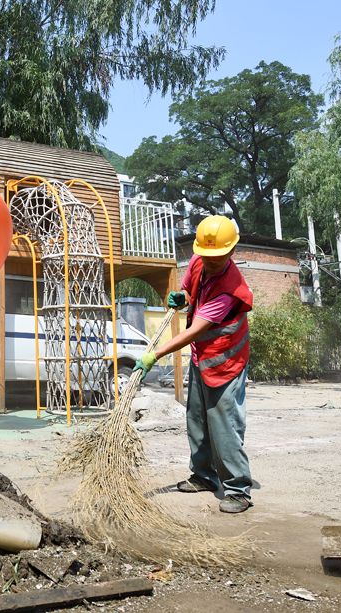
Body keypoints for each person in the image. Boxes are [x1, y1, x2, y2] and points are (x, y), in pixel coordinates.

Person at [135, 215, 255, 514]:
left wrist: (154, 355)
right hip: (203, 357)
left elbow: (194, 330)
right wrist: (183, 297)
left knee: (223, 424)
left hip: (226, 360)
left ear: (231, 251)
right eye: (206, 255)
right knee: (197, 419)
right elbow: (190, 292)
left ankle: (238, 489)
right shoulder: (200, 261)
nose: (210, 262)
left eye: (217, 257)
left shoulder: (230, 288)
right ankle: (203, 476)